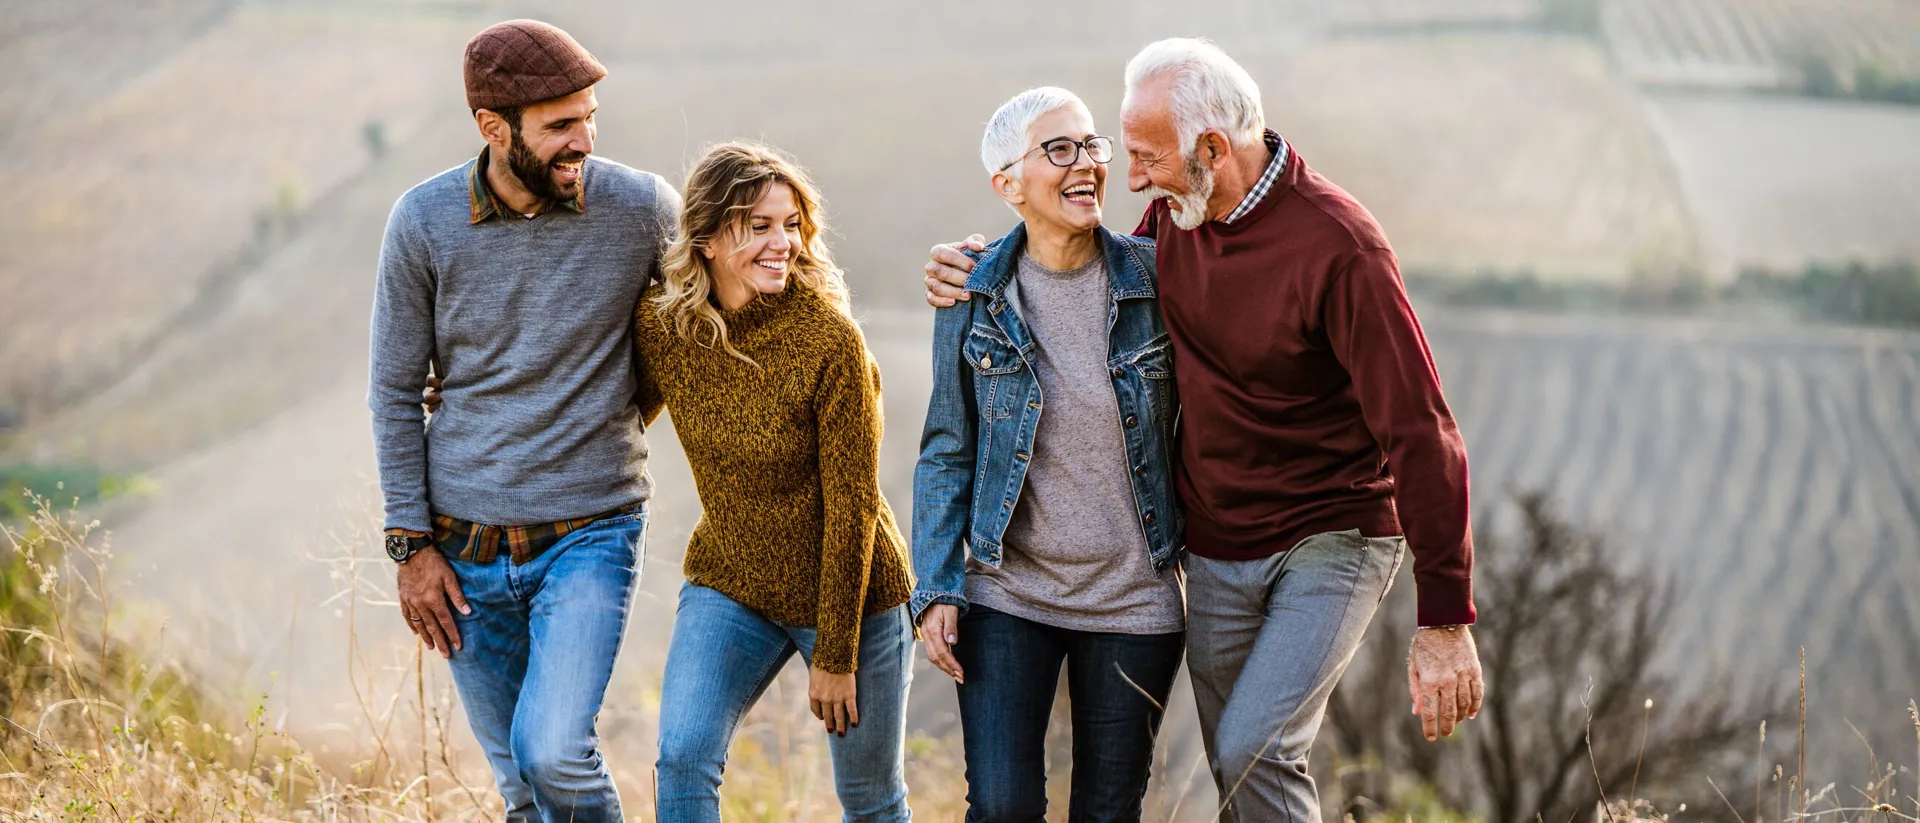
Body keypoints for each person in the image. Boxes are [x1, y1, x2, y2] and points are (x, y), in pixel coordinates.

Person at [923, 39, 1486, 821]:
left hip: (1332, 532)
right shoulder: (1175, 224)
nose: (1131, 179)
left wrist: (1446, 618)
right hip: (1218, 542)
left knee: (1256, 748)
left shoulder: (1339, 247)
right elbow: (1077, 270)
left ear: (1213, 150)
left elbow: (1422, 432)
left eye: (1147, 158)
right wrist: (969, 266)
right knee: (1240, 770)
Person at [368, 20, 679, 823]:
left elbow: (726, 311)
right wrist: (411, 546)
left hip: (591, 531)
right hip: (461, 553)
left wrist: (614, 409)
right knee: (521, 788)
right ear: (492, 128)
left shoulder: (641, 209)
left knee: (553, 753)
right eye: (561, 126)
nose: (584, 141)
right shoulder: (423, 221)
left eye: (590, 117)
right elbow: (395, 391)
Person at [910, 87, 1186, 823]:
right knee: (1001, 808)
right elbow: (946, 448)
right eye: (1058, 149)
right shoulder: (974, 291)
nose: (1086, 164)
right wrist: (936, 583)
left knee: (1107, 810)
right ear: (1007, 184)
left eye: (1092, 145)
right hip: (1011, 593)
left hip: (1135, 599)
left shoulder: (1158, 279)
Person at [637, 142, 914, 823]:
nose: (782, 242)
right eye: (758, 225)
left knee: (871, 801)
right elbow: (611, 411)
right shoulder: (664, 329)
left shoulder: (830, 342)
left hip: (851, 595)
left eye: (791, 224)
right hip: (733, 581)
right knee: (682, 758)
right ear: (704, 239)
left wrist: (837, 653)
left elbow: (852, 507)